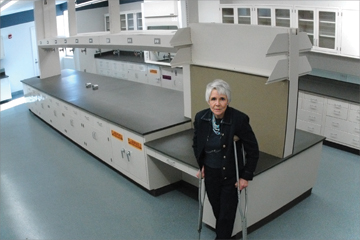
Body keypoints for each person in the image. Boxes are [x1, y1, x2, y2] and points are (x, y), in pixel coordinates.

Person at [192, 79, 259, 239]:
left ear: (228, 100)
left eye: (222, 99)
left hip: (231, 177)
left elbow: (253, 149)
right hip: (211, 175)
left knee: (225, 217)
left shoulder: (239, 119)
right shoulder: (201, 118)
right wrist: (202, 165)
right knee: (219, 212)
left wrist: (245, 176)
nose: (217, 104)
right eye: (213, 99)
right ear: (208, 100)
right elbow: (197, 144)